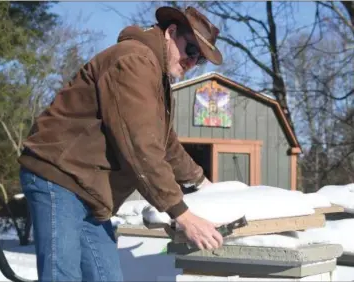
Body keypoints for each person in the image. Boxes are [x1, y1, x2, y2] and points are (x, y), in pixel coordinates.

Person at [18, 5, 224, 282]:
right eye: (190, 51)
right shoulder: (134, 61)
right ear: (170, 33)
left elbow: (163, 142)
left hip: (91, 191)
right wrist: (181, 214)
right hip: (60, 176)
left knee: (106, 277)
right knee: (62, 276)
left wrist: (201, 182)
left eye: (198, 60)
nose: (191, 62)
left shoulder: (153, 73)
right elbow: (141, 147)